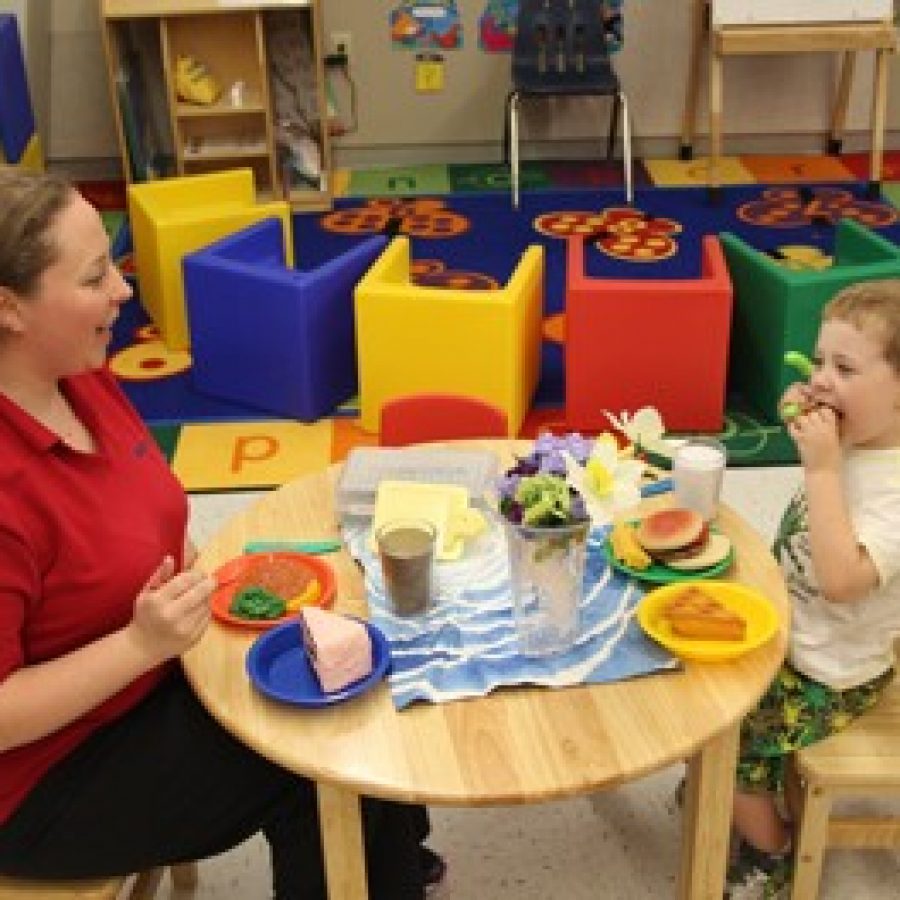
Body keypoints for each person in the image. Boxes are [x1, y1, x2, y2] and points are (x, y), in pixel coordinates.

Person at [0, 166, 442, 898]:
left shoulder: (79, 372)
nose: (123, 291)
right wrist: (139, 644)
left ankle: (394, 867)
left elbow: (144, 523)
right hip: (48, 780)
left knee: (363, 671)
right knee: (321, 760)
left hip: (156, 675)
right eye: (93, 278)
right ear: (9, 308)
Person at [725, 280, 900, 898]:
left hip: (828, 671)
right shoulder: (861, 433)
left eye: (844, 368)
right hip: (789, 630)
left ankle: (770, 852)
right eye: (819, 361)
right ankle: (740, 795)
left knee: (721, 731)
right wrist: (811, 429)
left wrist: (822, 468)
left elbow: (842, 583)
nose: (821, 380)